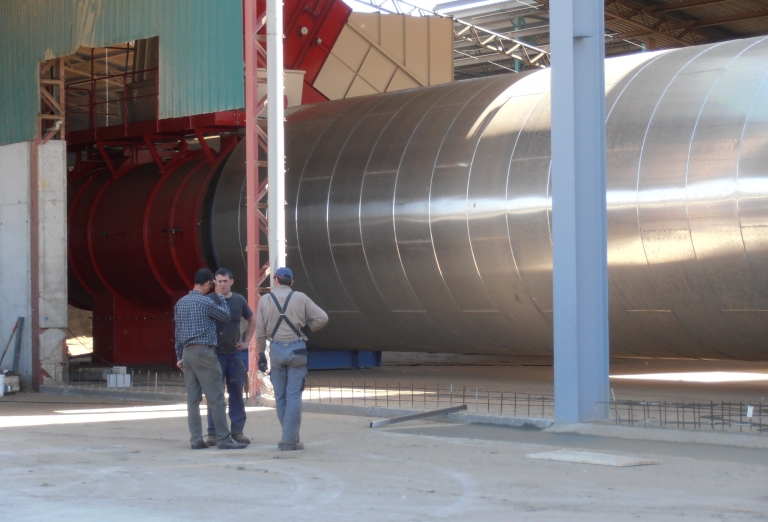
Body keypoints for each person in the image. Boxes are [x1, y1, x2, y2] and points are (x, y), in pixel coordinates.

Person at [256, 267, 328, 451]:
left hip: (276, 350)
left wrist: (261, 354)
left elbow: (260, 332)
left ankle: (289, 438)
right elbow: (322, 318)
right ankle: (290, 439)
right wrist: (308, 328)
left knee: (280, 396)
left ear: (275, 280)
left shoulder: (265, 300)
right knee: (294, 395)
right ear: (292, 282)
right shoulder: (301, 297)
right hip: (297, 349)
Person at [174, 268, 247, 450]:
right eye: (213, 284)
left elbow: (177, 333)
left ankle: (196, 440)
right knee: (216, 398)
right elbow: (225, 315)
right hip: (204, 352)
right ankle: (223, 438)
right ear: (208, 284)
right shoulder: (205, 302)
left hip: (187, 354)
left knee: (192, 400)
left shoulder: (180, 303)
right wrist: (220, 296)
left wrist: (179, 356)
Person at [205, 268, 256, 446]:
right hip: (215, 355)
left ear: (231, 282)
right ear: (214, 283)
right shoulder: (210, 300)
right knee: (214, 395)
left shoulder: (239, 300)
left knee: (236, 393)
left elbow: (252, 320)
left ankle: (237, 431)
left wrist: (247, 341)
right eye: (218, 281)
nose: (222, 284)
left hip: (234, 355)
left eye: (225, 281)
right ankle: (213, 432)